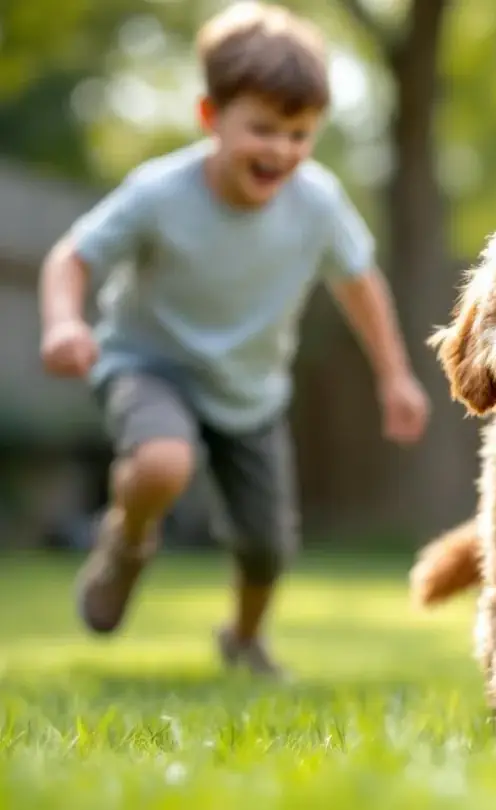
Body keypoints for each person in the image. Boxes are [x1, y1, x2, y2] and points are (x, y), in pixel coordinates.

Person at [37, 1, 430, 679]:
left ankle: (244, 640)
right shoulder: (160, 192)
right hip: (149, 364)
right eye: (264, 129)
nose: (282, 150)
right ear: (211, 118)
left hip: (250, 390)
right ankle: (127, 543)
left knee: (267, 547)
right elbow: (71, 257)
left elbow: (361, 284)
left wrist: (394, 376)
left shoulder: (318, 202)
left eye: (300, 134)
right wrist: (65, 323)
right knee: (162, 464)